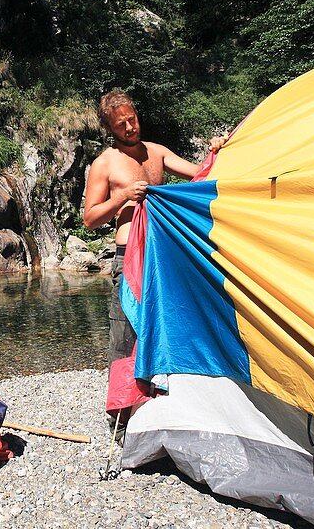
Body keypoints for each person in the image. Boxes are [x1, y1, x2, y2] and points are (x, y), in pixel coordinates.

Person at [82, 90, 225, 417]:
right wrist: (123, 197)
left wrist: (216, 151)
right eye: (122, 125)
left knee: (168, 322)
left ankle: (158, 403)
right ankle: (120, 411)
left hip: (162, 255)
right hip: (127, 252)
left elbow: (202, 176)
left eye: (133, 119)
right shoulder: (104, 164)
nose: (131, 127)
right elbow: (90, 219)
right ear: (109, 127)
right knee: (125, 329)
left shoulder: (157, 152)